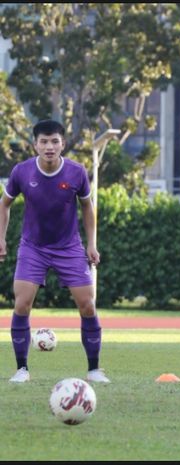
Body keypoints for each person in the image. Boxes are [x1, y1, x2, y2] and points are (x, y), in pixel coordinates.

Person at [0, 119, 109, 384]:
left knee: (88, 305)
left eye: (55, 141)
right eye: (44, 142)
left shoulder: (77, 172)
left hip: (69, 247)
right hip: (32, 247)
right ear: (35, 144)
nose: (49, 147)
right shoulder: (21, 172)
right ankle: (22, 370)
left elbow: (87, 207)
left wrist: (91, 244)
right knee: (22, 303)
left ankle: (94, 369)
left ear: (63, 144)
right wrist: (0, 238)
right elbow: (4, 204)